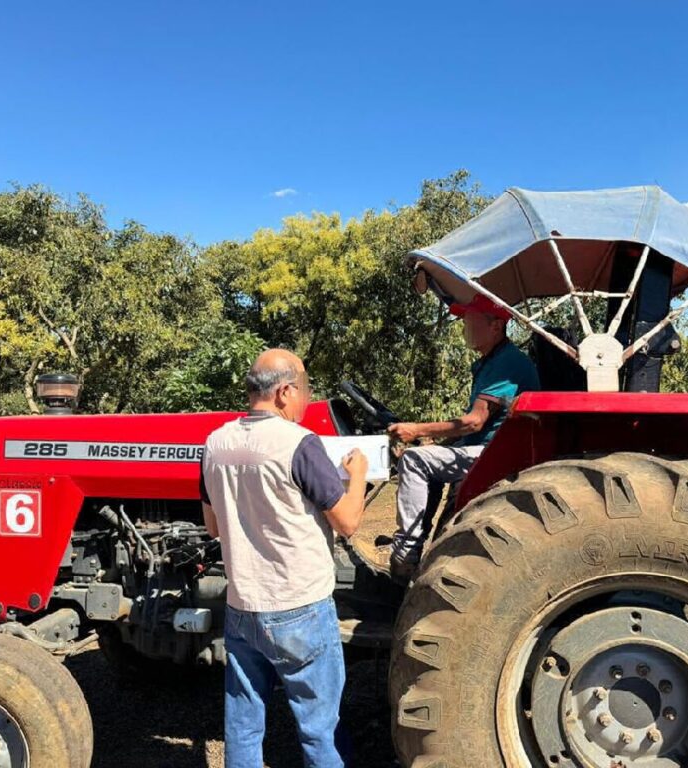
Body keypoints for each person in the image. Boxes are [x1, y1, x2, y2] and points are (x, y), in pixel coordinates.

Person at [199, 348, 368, 768]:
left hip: (243, 608)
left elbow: (214, 528)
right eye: (305, 390)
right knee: (318, 728)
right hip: (301, 609)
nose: (307, 400)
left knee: (243, 727)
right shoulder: (298, 444)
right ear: (285, 391)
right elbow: (347, 522)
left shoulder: (215, 443)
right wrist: (359, 473)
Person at [384, 294, 540, 582]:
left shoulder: (507, 363)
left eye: (471, 321)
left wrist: (417, 430)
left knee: (415, 460)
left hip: (493, 455)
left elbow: (474, 422)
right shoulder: (491, 361)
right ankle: (419, 545)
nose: (465, 328)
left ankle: (406, 553)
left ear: (495, 326)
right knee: (425, 457)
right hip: (482, 448)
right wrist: (438, 443)